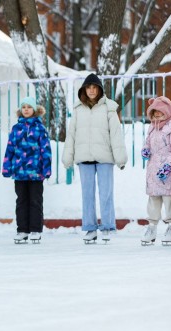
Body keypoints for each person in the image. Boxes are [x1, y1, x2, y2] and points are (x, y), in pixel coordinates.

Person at [62, 73, 128, 243]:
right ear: (84, 89)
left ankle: (107, 226)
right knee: (87, 194)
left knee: (106, 193)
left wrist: (120, 158)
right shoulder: (78, 109)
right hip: (84, 157)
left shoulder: (109, 108)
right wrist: (67, 158)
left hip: (104, 157)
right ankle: (90, 228)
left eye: (94, 87)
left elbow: (115, 134)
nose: (91, 90)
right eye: (88, 87)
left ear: (99, 89)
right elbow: (72, 134)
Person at [2, 96, 52, 244]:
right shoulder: (16, 128)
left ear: (34, 110)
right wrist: (7, 167)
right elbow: (10, 148)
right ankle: (22, 229)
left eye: (29, 107)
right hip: (20, 173)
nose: (26, 110)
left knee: (35, 201)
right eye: (23, 107)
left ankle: (35, 229)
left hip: (36, 173)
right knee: (21, 201)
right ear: (20, 110)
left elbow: (46, 150)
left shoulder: (40, 128)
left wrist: (46, 169)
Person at [139, 96, 171, 246]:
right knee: (153, 199)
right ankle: (151, 228)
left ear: (168, 111)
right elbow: (147, 143)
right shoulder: (152, 126)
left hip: (167, 172)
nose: (157, 114)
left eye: (160, 111)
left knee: (168, 199)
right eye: (154, 112)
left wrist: (168, 166)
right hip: (153, 171)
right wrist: (145, 150)